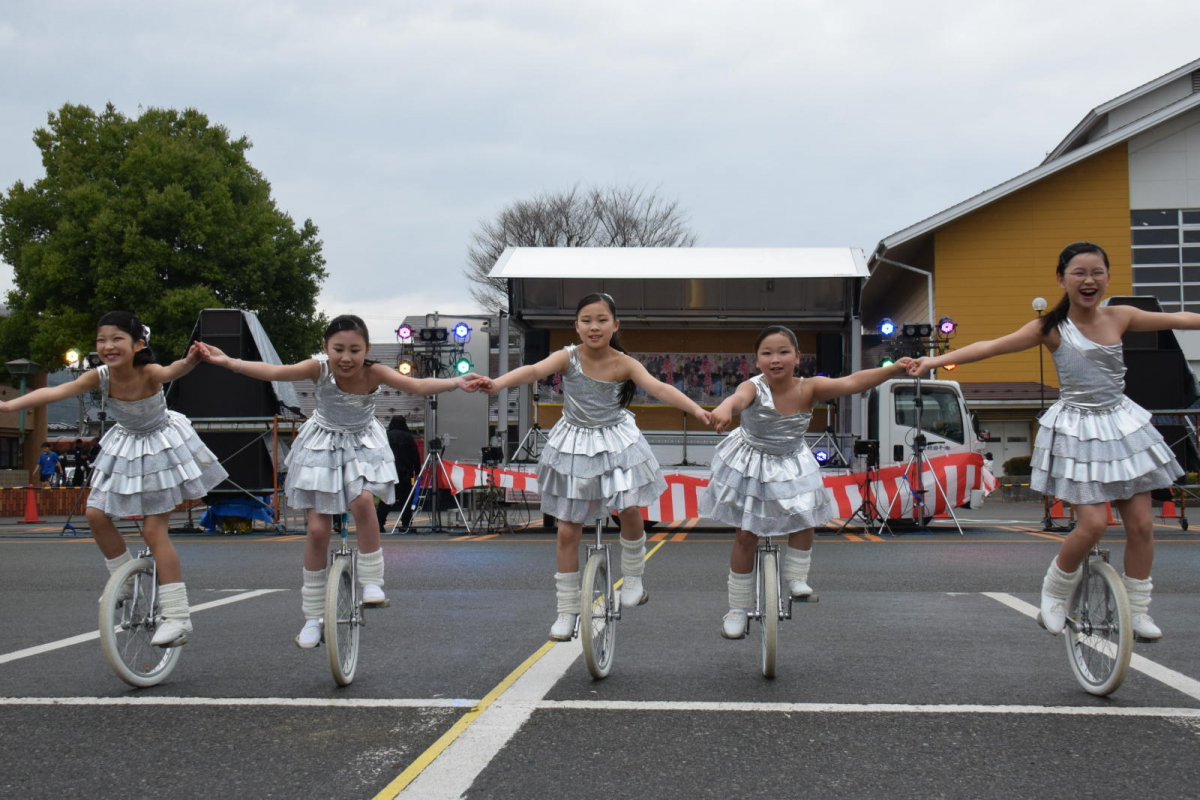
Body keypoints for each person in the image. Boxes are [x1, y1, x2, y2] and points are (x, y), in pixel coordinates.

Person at [908, 242, 1189, 641]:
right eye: (1079, 272)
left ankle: (1138, 608)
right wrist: (933, 362)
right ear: (1062, 279)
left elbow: (1181, 317)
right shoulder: (1050, 328)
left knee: (1142, 524)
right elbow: (990, 346)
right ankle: (1055, 594)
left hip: (1122, 426)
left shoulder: (1121, 316)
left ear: (1108, 277)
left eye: (1097, 272)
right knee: (1093, 523)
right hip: (1077, 429)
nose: (1088, 280)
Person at [197, 315, 484, 649]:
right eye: (338, 349)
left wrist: (457, 382)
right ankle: (311, 617)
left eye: (354, 350)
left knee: (362, 501)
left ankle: (373, 581)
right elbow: (274, 372)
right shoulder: (318, 369)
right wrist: (228, 361)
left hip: (362, 443)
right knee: (317, 532)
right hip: (322, 445)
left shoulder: (374, 372)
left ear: (367, 350)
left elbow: (418, 386)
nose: (345, 357)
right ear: (325, 348)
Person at [473, 292, 711, 641]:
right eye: (586, 320)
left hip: (615, 439)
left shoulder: (623, 363)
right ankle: (566, 610)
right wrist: (497, 383)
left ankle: (633, 577)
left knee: (628, 508)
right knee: (567, 529)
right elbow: (534, 370)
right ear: (576, 326)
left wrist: (697, 410)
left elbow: (659, 388)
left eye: (601, 320)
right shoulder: (567, 356)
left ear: (615, 325)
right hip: (574, 442)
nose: (594, 326)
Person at [0, 311, 226, 646]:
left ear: (138, 344)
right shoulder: (100, 376)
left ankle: (178, 616)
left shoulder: (148, 371)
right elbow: (54, 393)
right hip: (124, 444)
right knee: (94, 513)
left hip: (160, 445)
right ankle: (125, 581)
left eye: (117, 339)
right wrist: (7, 407)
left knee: (154, 530)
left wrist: (191, 360)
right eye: (101, 340)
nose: (108, 346)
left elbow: (170, 372)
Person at [702, 326, 913, 639]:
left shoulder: (810, 387)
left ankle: (797, 578)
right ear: (757, 361)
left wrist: (893, 369)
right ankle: (736, 609)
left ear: (797, 357)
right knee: (746, 535)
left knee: (806, 515)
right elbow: (736, 399)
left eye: (784, 352)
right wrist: (724, 407)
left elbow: (852, 382)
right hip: (752, 460)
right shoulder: (753, 387)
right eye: (767, 353)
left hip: (791, 459)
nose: (776, 359)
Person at [376, 416, 420, 531]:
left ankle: (379, 523)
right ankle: (406, 523)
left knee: (386, 499)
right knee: (406, 499)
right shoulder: (408, 437)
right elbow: (415, 455)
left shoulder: (385, 436)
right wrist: (418, 470)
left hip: (388, 473)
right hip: (405, 473)